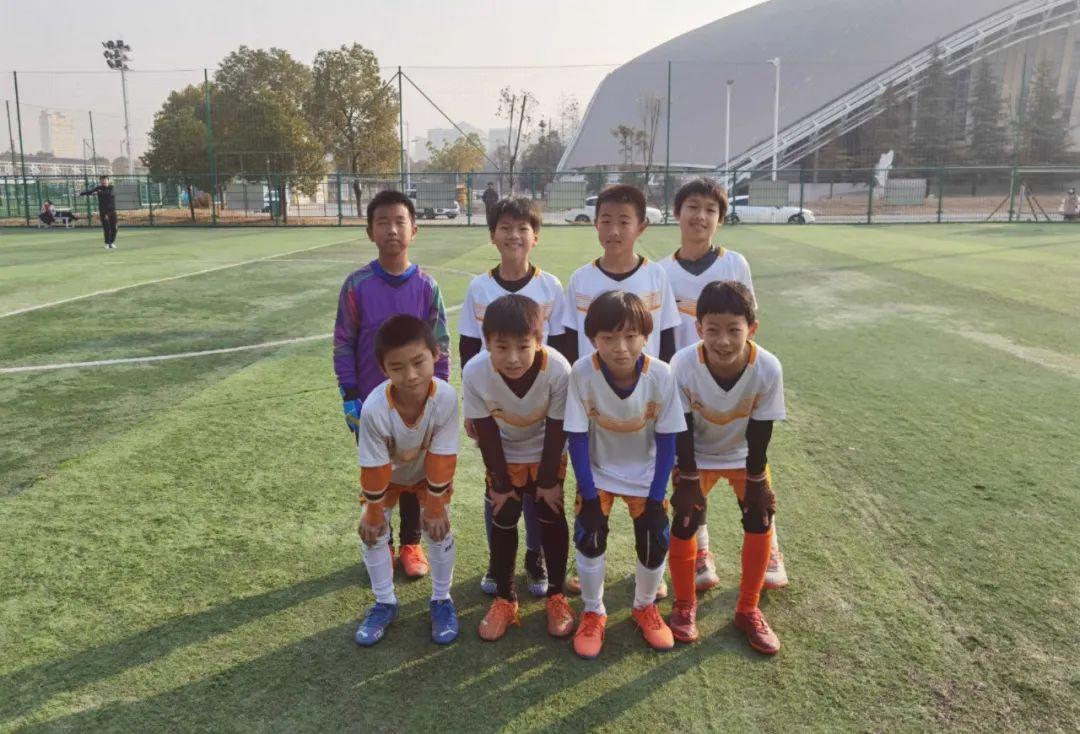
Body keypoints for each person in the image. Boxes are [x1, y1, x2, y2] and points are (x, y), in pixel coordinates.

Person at [659, 178, 788, 593]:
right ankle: (701, 551)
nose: (700, 216)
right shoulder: (661, 271)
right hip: (684, 382)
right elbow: (662, 333)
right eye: (692, 207)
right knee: (688, 471)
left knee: (749, 462)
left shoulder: (735, 264)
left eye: (710, 210)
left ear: (720, 218)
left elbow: (743, 323)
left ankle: (770, 548)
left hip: (729, 376)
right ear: (677, 213)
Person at [334, 189, 451, 581]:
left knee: (416, 471)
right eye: (382, 222)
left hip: (419, 402)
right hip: (372, 405)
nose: (392, 230)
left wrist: (440, 393)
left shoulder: (427, 286)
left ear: (414, 230)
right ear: (370, 231)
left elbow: (441, 343)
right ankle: (380, 541)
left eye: (400, 221)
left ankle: (411, 544)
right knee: (380, 471)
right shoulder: (357, 285)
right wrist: (350, 395)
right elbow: (344, 341)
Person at [564, 291, 686, 659]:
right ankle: (593, 611)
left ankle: (644, 606)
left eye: (631, 336)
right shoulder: (581, 372)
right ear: (592, 339)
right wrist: (587, 495)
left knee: (654, 539)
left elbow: (668, 440)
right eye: (608, 337)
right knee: (589, 537)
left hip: (645, 477)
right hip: (598, 473)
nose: (620, 347)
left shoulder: (661, 375)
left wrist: (656, 498)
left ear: (646, 336)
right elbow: (577, 437)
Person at [668, 281, 786, 654]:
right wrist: (687, 477)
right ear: (698, 328)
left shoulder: (767, 367)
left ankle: (747, 609)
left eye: (734, 330)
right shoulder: (682, 364)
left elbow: (761, 429)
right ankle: (684, 604)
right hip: (696, 455)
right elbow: (681, 426)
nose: (723, 341)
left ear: (752, 329)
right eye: (713, 330)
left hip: (744, 455)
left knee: (760, 517)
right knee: (684, 518)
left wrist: (757, 480)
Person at [459, 196, 567, 597]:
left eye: (522, 228)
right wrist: (473, 407)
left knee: (540, 490)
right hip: (497, 405)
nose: (514, 235)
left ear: (535, 235)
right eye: (505, 227)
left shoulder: (550, 286)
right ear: (493, 235)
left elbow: (562, 345)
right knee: (498, 489)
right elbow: (469, 347)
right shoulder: (479, 286)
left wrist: (560, 396)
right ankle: (497, 559)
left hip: (542, 401)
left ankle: (536, 557)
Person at [462, 294, 575, 641]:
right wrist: (500, 483)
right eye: (501, 347)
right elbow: (486, 432)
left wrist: (548, 480)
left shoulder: (558, 369)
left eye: (523, 346)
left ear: (539, 340)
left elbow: (557, 427)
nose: (512, 358)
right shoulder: (475, 371)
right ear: (486, 343)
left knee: (551, 511)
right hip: (504, 451)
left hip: (545, 450)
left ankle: (556, 595)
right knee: (504, 511)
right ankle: (505, 598)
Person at [354, 315, 460, 647]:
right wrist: (373, 511)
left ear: (436, 355)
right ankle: (384, 602)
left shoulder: (446, 398)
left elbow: (443, 458)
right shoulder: (374, 409)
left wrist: (436, 506)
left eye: (418, 362)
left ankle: (441, 599)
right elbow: (374, 469)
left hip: (428, 475)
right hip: (387, 479)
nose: (410, 375)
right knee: (372, 532)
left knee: (439, 529)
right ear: (383, 368)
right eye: (397, 367)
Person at [560, 184, 680, 365]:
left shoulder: (656, 275)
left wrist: (663, 376)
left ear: (641, 227)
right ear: (596, 224)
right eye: (606, 221)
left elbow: (666, 336)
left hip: (645, 379)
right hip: (593, 379)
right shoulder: (580, 279)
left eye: (624, 222)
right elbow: (570, 339)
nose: (614, 231)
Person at [78, 175, 118, 249]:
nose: (104, 182)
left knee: (114, 228)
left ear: (108, 181)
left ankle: (111, 242)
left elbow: (110, 193)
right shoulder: (98, 188)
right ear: (100, 181)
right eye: (102, 180)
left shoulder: (111, 188)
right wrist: (80, 193)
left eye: (105, 180)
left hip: (112, 211)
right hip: (104, 211)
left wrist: (99, 193)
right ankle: (107, 243)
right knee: (106, 228)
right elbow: (90, 192)